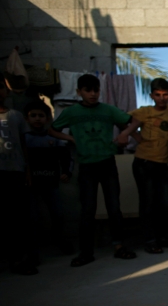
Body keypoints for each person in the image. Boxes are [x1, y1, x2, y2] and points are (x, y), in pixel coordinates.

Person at [49, 74, 141, 267]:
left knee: (114, 207)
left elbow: (134, 121)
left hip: (107, 163)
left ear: (100, 91)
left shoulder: (108, 110)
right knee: (87, 210)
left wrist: (124, 133)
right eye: (88, 90)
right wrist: (72, 140)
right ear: (79, 92)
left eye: (96, 90)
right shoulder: (72, 112)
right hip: (86, 165)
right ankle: (86, 252)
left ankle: (119, 247)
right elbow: (52, 129)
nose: (92, 94)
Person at [128, 78, 168, 254]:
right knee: (148, 204)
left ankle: (164, 238)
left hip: (163, 164)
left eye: (165, 95)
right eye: (158, 95)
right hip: (144, 163)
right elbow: (124, 120)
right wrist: (137, 137)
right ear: (152, 96)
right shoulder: (144, 112)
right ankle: (150, 240)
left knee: (164, 204)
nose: (162, 98)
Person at [24, 100, 74, 262]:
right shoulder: (24, 139)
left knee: (58, 214)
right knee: (32, 218)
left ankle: (61, 242)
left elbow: (66, 156)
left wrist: (67, 171)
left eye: (41, 116)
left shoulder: (53, 138)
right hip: (30, 184)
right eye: (33, 116)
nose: (37, 119)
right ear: (27, 119)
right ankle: (32, 252)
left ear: (47, 119)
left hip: (51, 182)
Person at [0, 76, 35, 275]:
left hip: (15, 172)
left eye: (1, 87)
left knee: (18, 218)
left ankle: (20, 259)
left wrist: (27, 171)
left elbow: (24, 145)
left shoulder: (15, 116)